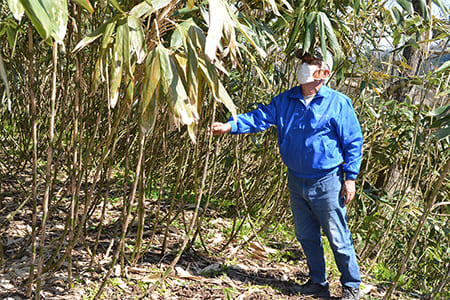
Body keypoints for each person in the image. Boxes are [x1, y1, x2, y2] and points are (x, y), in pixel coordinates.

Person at [211, 47, 363, 300]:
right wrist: (230, 126)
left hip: (328, 181)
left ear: (324, 72)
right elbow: (260, 118)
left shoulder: (338, 103)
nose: (304, 67)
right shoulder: (285, 100)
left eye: (311, 62)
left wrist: (350, 179)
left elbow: (353, 143)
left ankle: (350, 286)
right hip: (296, 178)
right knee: (306, 235)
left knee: (337, 236)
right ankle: (318, 283)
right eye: (303, 62)